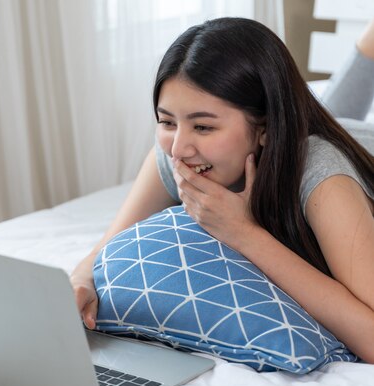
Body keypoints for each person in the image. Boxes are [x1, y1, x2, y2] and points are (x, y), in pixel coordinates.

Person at [70, 17, 374, 363]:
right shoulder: (175, 154)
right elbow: (102, 251)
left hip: (355, 149)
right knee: (329, 109)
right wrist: (80, 281)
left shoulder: (321, 174)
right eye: (167, 121)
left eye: (203, 126)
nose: (179, 147)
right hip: (305, 130)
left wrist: (244, 233)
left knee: (330, 119)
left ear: (265, 128)